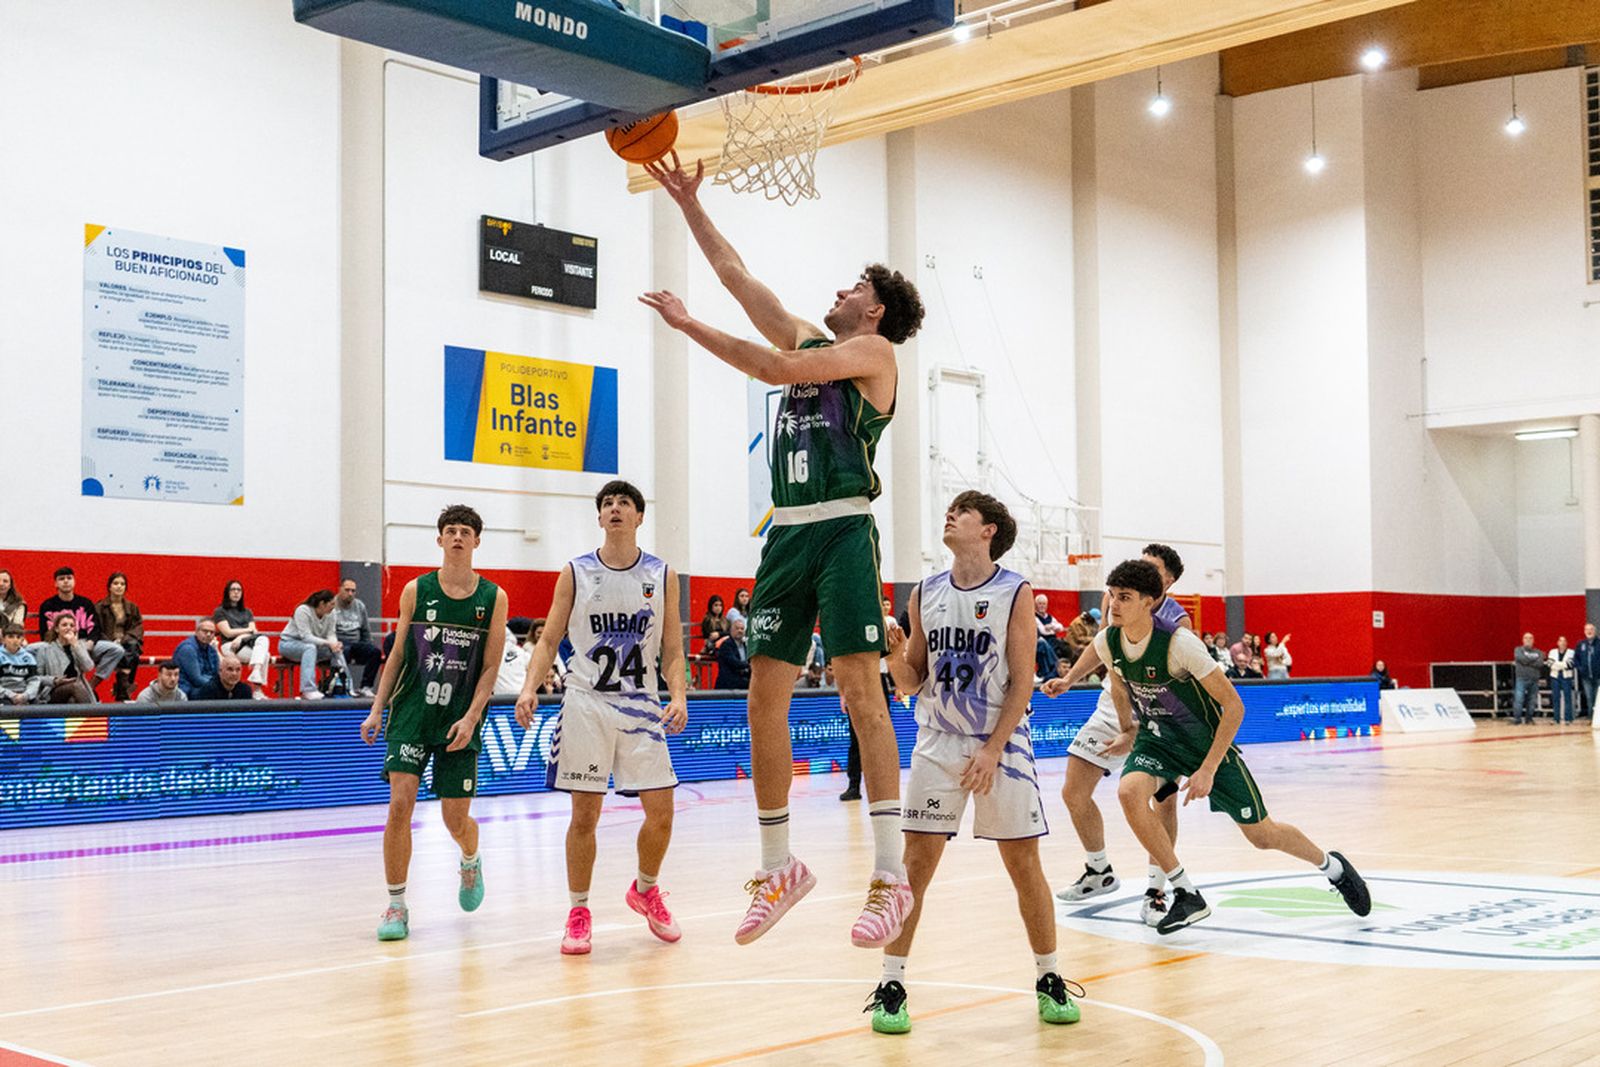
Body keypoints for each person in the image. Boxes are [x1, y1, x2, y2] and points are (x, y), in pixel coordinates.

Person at [644, 152, 926, 947]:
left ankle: (890, 875)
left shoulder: (875, 356)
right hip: (787, 535)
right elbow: (737, 277)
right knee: (761, 698)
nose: (839, 291)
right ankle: (779, 866)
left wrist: (688, 325)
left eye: (854, 287)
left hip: (841, 529)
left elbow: (771, 366)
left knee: (860, 692)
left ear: (874, 311)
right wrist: (689, 204)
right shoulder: (811, 338)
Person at [1050, 559, 1369, 935]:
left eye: (1125, 597)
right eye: (1112, 596)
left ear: (1148, 602)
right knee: (1129, 792)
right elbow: (1119, 684)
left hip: (1204, 743)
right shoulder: (1108, 641)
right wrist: (1127, 729)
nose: (1114, 605)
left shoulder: (1180, 644)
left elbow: (1234, 707)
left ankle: (1332, 867)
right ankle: (1185, 892)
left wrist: (1208, 769)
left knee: (1262, 835)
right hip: (1158, 739)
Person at [867, 491, 1081, 1034]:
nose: (951, 515)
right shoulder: (925, 592)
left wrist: (991, 749)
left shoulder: (1015, 591)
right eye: (951, 510)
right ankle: (891, 985)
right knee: (914, 867)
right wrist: (892, 656)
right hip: (938, 741)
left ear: (988, 531)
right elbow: (913, 679)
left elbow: (1023, 680)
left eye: (963, 511)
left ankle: (1049, 977)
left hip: (1000, 746)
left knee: (1023, 865)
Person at [514, 480, 688, 955]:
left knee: (662, 812)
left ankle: (646, 889)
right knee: (585, 815)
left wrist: (678, 695)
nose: (615, 508)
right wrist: (529, 687)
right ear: (599, 517)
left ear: (639, 517)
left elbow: (673, 649)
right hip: (586, 703)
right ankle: (578, 911)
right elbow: (548, 639)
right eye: (607, 503)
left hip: (641, 705)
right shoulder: (576, 571)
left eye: (624, 503)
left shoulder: (662, 574)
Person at [360, 504, 508, 942]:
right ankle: (396, 904)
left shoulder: (493, 597)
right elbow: (397, 655)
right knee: (399, 804)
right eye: (451, 530)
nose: (458, 537)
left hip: (459, 718)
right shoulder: (416, 590)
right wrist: (376, 708)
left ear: (477, 541)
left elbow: (490, 666)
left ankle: (470, 858)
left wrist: (472, 716)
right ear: (440, 539)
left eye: (465, 531)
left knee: (454, 819)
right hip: (412, 712)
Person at [1050, 542, 1192, 926]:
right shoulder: (1116, 600)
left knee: (1162, 802)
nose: (1139, 570)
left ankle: (1157, 891)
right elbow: (1101, 647)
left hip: (1158, 713)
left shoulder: (1178, 622)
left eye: (1152, 568)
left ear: (1167, 582)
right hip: (1113, 704)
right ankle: (1099, 870)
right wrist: (1069, 679)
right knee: (1074, 789)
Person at [37, 566, 124, 692]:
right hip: (60, 646)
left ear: (74, 581)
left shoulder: (85, 603)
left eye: (69, 578)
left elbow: (95, 627)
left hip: (83, 643)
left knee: (116, 650)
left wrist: (90, 642)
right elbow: (45, 632)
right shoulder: (48, 605)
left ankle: (91, 685)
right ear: (55, 583)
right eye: (61, 579)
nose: (66, 581)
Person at [281, 590, 351, 700]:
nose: (334, 607)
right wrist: (328, 643)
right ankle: (308, 689)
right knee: (310, 648)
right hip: (289, 644)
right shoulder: (303, 610)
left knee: (337, 650)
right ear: (322, 603)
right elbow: (306, 637)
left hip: (315, 647)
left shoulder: (332, 613)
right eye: (331, 604)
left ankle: (346, 686)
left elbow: (331, 634)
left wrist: (334, 644)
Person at [213, 580, 272, 699]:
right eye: (233, 589)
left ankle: (256, 674)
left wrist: (240, 637)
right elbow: (228, 633)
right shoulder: (220, 611)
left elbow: (254, 631)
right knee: (264, 655)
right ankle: (257, 689)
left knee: (264, 642)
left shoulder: (247, 612)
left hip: (244, 643)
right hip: (230, 645)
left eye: (239, 590)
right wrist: (247, 631)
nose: (236, 592)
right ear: (227, 592)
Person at [95, 572, 144, 701]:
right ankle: (124, 687)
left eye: (122, 584)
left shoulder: (132, 607)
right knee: (128, 653)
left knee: (132, 647)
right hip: (106, 643)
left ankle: (122, 687)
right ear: (109, 587)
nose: (119, 586)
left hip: (127, 642)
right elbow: (96, 629)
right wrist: (111, 642)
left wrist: (123, 640)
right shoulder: (100, 607)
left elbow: (137, 627)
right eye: (115, 583)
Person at [32, 615, 97, 704]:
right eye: (64, 625)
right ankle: (92, 712)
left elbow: (88, 667)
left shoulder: (79, 646)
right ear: (56, 629)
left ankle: (89, 711)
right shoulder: (45, 649)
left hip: (76, 690)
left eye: (72, 625)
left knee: (72, 701)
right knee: (75, 686)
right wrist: (55, 680)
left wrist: (75, 645)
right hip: (52, 691)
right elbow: (36, 678)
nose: (68, 628)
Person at [334, 578, 383, 697]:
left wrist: (369, 645)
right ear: (339, 589)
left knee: (375, 652)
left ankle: (366, 687)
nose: (350, 593)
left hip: (356, 643)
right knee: (345, 651)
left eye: (353, 591)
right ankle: (343, 687)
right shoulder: (332, 605)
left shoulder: (359, 606)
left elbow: (365, 630)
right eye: (347, 590)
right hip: (338, 642)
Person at [173, 618, 221, 698]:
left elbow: (217, 674)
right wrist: (219, 687)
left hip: (206, 686)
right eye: (205, 631)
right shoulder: (187, 649)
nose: (208, 634)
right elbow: (196, 679)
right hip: (188, 690)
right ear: (196, 632)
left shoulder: (212, 650)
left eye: (212, 632)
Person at [0, 623, 46, 705]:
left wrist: (26, 695)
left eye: (18, 637)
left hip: (24, 694)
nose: (15, 640)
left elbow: (34, 680)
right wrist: (12, 695)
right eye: (10, 637)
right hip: (4, 696)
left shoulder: (29, 657)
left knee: (39, 708)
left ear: (22, 640)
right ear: (3, 639)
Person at [1511, 633, 1542, 724]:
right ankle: (1517, 719)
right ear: (1523, 640)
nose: (1528, 640)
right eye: (1526, 638)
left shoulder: (1538, 652)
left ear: (1533, 640)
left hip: (1534, 679)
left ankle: (1529, 719)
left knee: (1532, 700)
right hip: (1521, 678)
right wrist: (1532, 662)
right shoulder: (1518, 650)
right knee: (1519, 699)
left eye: (1530, 638)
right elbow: (1520, 658)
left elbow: (1540, 663)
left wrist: (1526, 662)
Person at [715, 618, 752, 690]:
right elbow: (734, 663)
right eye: (737, 628)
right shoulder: (726, 645)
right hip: (729, 683)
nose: (740, 631)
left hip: (743, 680)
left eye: (742, 629)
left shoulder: (745, 645)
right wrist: (750, 665)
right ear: (731, 631)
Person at [1547, 637, 1575, 725]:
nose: (1562, 643)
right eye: (1560, 641)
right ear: (1557, 643)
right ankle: (1556, 718)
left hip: (1566, 677)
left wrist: (1556, 664)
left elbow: (1570, 665)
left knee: (1567, 697)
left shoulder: (1571, 652)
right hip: (1555, 677)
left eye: (1564, 641)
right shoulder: (1552, 652)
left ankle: (1568, 718)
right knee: (1555, 697)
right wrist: (1563, 665)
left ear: (1567, 643)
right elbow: (1549, 664)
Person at [1576, 623, 1600, 719]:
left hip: (1598, 676)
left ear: (1595, 631)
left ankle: (1597, 718)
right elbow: (1576, 658)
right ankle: (1591, 717)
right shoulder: (1581, 644)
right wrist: (1580, 668)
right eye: (1587, 629)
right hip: (1586, 677)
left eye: (1591, 629)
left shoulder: (1599, 643)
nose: (1589, 631)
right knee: (1589, 697)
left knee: (1598, 698)